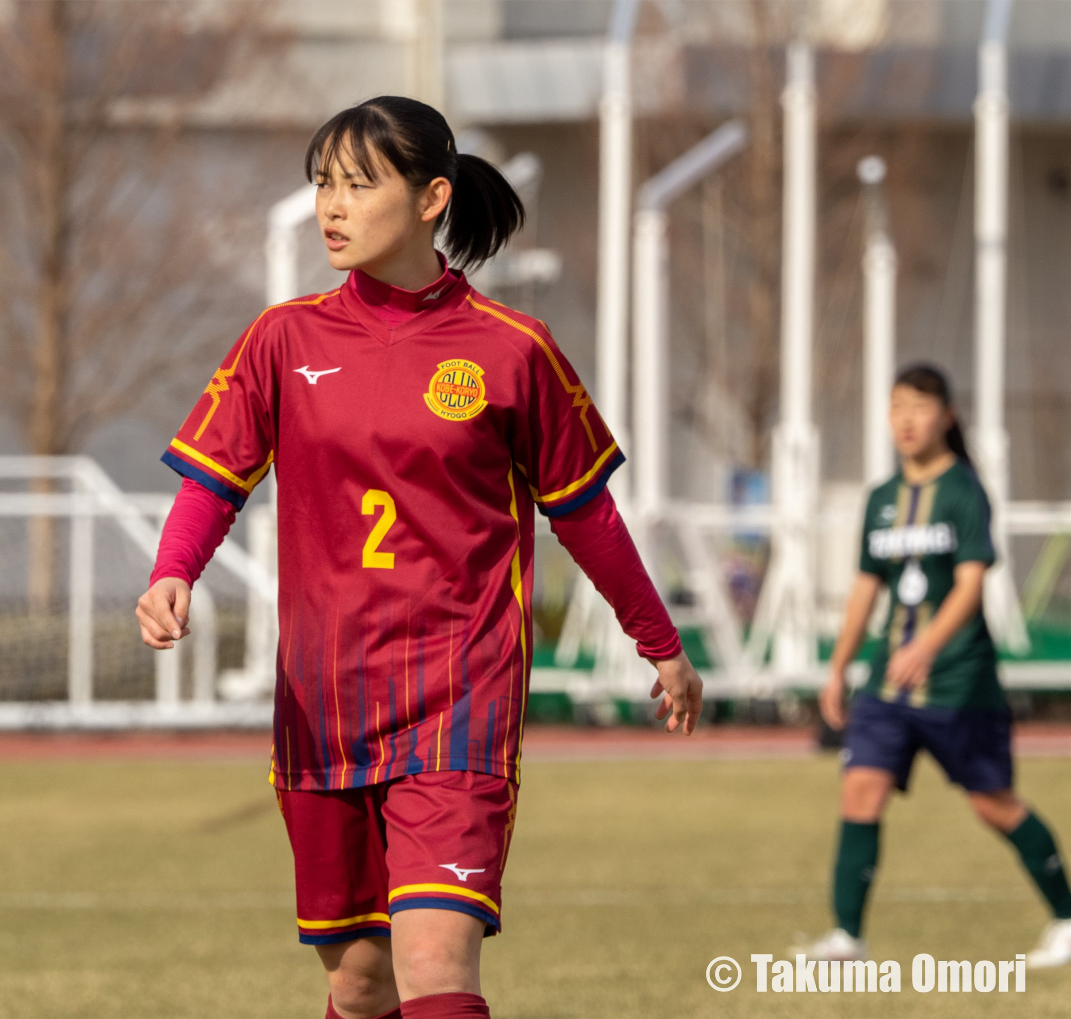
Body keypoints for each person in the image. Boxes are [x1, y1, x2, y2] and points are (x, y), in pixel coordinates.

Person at [136, 96, 703, 1019]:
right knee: (360, 986)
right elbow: (213, 480)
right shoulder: (283, 339)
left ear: (432, 195)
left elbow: (586, 513)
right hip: (322, 703)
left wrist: (660, 643)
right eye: (323, 183)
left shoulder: (513, 351)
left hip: (458, 700)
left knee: (436, 966)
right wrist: (174, 570)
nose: (332, 206)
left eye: (358, 185)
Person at [797, 364, 1071, 968]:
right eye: (896, 407)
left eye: (919, 406)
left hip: (958, 682)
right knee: (861, 788)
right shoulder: (880, 499)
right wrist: (838, 666)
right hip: (886, 681)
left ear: (946, 416)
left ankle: (1067, 918)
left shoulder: (963, 491)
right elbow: (867, 589)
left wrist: (927, 647)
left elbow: (972, 586)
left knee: (993, 803)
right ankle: (848, 937)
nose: (906, 419)